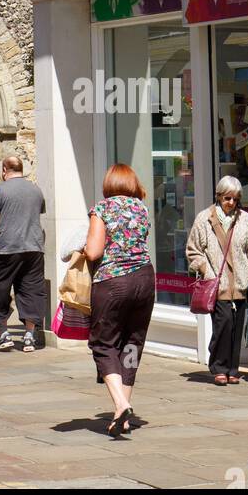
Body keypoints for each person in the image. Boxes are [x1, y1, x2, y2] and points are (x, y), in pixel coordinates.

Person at [85, 163, 155, 437]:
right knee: (132, 344)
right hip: (145, 280)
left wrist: (81, 246)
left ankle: (121, 402)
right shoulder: (142, 208)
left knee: (103, 344)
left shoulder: (102, 208)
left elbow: (93, 252)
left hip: (113, 281)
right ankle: (122, 415)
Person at [187, 175, 248, 386]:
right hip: (217, 283)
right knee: (224, 325)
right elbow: (193, 250)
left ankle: (232, 369)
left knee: (236, 328)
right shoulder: (205, 218)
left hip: (240, 283)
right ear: (219, 196)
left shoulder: (244, 219)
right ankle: (219, 367)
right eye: (227, 198)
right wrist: (206, 271)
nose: (231, 203)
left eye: (235, 199)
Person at [0, 155, 46, 354]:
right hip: (34, 248)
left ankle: (4, 334)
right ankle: (29, 336)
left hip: (7, 248)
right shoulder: (36, 190)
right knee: (31, 289)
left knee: (0, 290)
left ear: (4, 170)